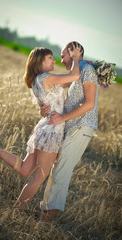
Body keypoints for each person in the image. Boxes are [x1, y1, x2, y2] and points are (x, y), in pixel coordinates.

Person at [0, 44, 83, 210]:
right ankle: (16, 211)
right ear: (40, 62)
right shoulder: (46, 78)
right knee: (39, 177)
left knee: (24, 169)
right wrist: (75, 57)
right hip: (52, 130)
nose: (54, 60)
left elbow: (67, 84)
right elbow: (74, 76)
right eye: (49, 58)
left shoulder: (39, 80)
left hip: (45, 128)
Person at [39, 41, 98, 221]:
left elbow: (89, 103)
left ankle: (46, 222)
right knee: (56, 170)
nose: (60, 58)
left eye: (64, 54)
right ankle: (45, 213)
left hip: (81, 127)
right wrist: (43, 109)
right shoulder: (76, 73)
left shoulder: (87, 70)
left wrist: (62, 118)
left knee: (61, 173)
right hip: (72, 127)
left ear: (73, 53)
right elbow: (51, 91)